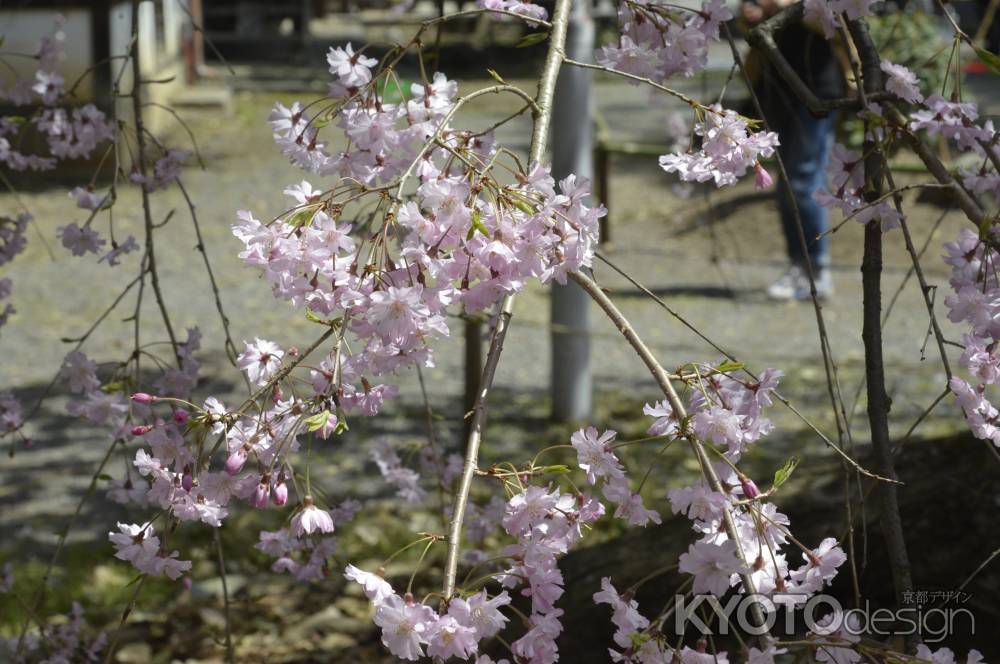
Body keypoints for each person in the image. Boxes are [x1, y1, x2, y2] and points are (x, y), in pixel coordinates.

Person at [740, 0, 847, 300]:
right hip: (774, 87)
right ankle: (799, 265)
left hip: (816, 88)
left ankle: (816, 269)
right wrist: (753, 14)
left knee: (804, 181)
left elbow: (835, 23)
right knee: (786, 183)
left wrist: (786, 6)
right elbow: (746, 22)